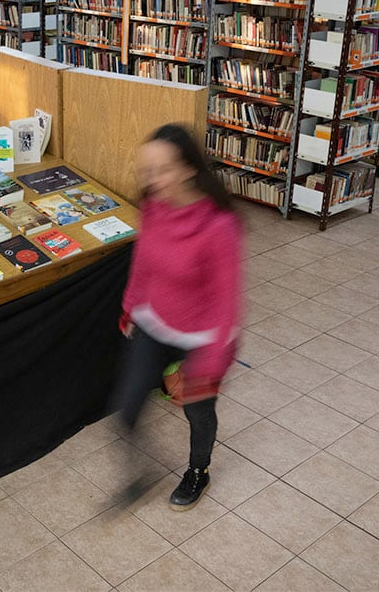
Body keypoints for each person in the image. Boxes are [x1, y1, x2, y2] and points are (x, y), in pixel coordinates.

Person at [115, 123, 242, 510]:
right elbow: (145, 260)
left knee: (198, 412)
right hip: (157, 319)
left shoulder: (220, 227)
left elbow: (228, 302)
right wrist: (130, 305)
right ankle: (141, 475)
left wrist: (209, 365)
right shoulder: (154, 206)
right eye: (147, 171)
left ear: (189, 169)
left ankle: (198, 470)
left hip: (201, 335)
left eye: (163, 170)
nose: (153, 182)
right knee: (128, 407)